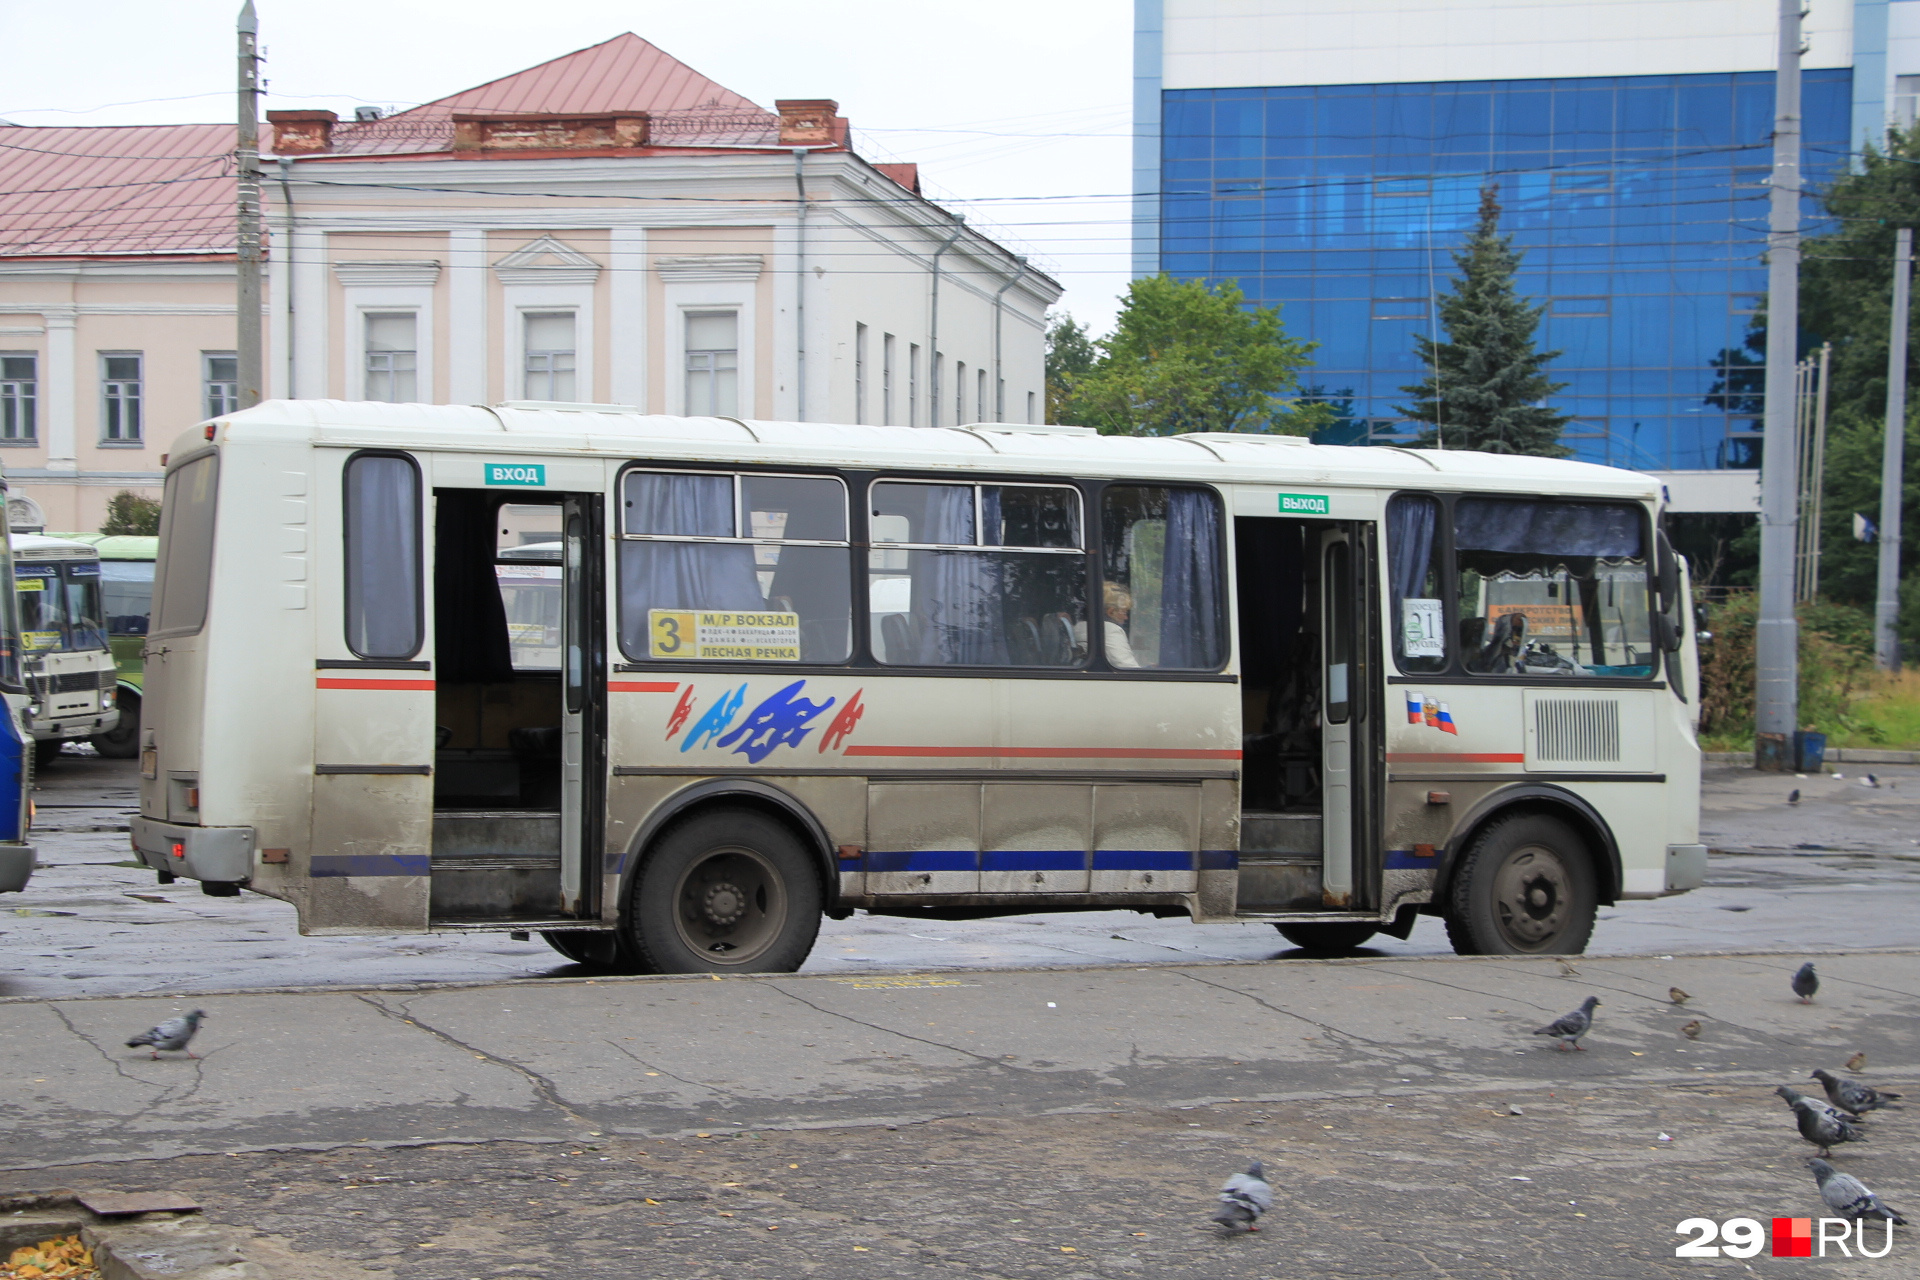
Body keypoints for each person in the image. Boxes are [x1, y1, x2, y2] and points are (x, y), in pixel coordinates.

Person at [1074, 582, 1141, 668]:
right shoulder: (1111, 631)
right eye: (1124, 612)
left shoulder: (1079, 627)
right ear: (1111, 611)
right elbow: (1127, 668)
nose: (1126, 617)